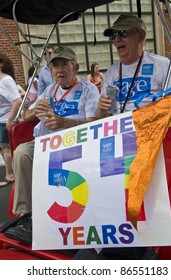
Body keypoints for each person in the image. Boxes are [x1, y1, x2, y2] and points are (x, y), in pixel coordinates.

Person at [73, 14, 171, 260]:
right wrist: (101, 107)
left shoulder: (162, 65)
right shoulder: (111, 72)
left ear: (141, 35)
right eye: (114, 36)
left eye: (123, 33)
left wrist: (164, 112)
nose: (117, 39)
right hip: (117, 142)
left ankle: (139, 237)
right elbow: (100, 117)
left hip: (153, 142)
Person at [4, 46, 99, 244]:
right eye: (55, 66)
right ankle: (26, 214)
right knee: (22, 152)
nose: (59, 70)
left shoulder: (88, 90)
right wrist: (32, 112)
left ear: (76, 67)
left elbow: (94, 124)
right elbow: (24, 116)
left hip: (75, 143)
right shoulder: (49, 90)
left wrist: (65, 123)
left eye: (65, 64)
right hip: (46, 142)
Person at [0, 53, 22, 187]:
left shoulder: (6, 80)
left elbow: (18, 100)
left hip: (5, 120)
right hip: (2, 118)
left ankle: (10, 174)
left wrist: (10, 119)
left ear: (1, 63)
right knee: (5, 148)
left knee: (6, 149)